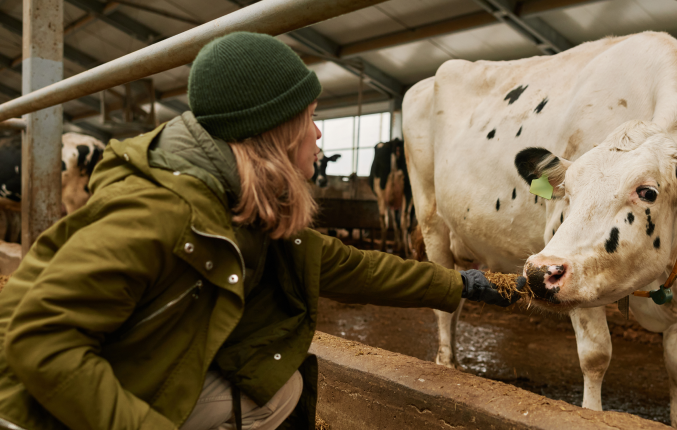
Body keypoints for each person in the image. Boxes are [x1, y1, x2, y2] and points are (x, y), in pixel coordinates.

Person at [0, 32, 519, 430]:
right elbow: (41, 342)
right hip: (31, 407)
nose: (318, 133)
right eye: (310, 118)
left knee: (276, 380)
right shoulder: (162, 212)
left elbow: (343, 264)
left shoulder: (239, 201)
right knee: (273, 394)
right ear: (274, 131)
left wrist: (460, 285)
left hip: (120, 360)